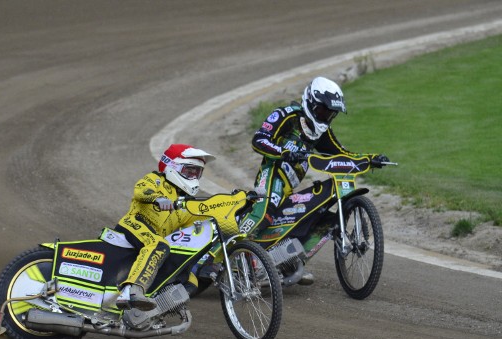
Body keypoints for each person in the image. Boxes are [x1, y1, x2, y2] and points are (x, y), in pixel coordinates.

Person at [200, 76, 388, 285]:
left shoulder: (321, 132)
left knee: (315, 216)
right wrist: (282, 152)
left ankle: (284, 261)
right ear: (310, 103)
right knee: (263, 213)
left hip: (290, 187)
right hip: (271, 177)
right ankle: (215, 258)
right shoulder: (285, 115)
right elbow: (258, 140)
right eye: (323, 112)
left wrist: (370, 159)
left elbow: (341, 154)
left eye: (331, 114)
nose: (325, 118)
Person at [114, 143, 215, 311]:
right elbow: (140, 190)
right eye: (190, 171)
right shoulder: (155, 179)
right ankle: (131, 291)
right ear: (172, 166)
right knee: (159, 246)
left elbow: (203, 216)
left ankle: (156, 309)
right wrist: (157, 198)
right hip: (134, 225)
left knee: (190, 279)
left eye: (197, 172)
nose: (194, 176)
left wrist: (240, 204)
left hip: (156, 239)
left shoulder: (183, 202)